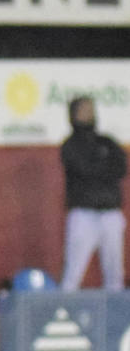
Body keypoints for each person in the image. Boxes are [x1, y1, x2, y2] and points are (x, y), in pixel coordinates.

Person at [59, 95, 126, 291]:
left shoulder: (107, 142)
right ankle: (63, 316)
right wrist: (101, 166)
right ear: (73, 114)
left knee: (115, 275)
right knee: (73, 274)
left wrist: (98, 166)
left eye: (91, 109)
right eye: (84, 109)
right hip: (83, 214)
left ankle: (116, 319)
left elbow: (120, 167)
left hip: (110, 213)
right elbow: (83, 169)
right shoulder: (70, 145)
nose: (89, 113)